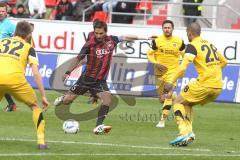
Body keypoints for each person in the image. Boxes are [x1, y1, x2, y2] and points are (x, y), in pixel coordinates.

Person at [54, 20, 147, 134]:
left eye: (101, 33)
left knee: (108, 99)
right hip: (86, 79)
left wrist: (146, 38)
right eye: (96, 33)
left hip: (100, 81)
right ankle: (63, 99)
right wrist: (68, 72)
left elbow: (127, 37)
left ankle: (98, 126)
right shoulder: (89, 44)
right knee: (67, 101)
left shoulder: (112, 40)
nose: (98, 36)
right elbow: (78, 58)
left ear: (106, 32)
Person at [164, 22, 227, 146]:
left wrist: (170, 81)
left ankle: (183, 132)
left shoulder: (192, 45)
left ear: (189, 33)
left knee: (177, 101)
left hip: (205, 83)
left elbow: (182, 68)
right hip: (218, 86)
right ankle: (189, 133)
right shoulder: (209, 44)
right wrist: (213, 73)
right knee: (187, 104)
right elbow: (224, 61)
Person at [0, 20, 49, 149]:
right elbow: (36, 73)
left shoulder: (2, 41)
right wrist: (43, 95)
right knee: (35, 107)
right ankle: (41, 142)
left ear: (15, 32)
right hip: (15, 81)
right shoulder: (29, 47)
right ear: (28, 35)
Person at [147, 20, 185, 128]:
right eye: (165, 27)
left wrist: (182, 70)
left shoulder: (179, 41)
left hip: (173, 72)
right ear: (162, 29)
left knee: (167, 95)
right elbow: (149, 54)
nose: (167, 29)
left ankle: (162, 121)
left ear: (172, 29)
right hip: (159, 72)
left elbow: (185, 57)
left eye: (169, 27)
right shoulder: (157, 41)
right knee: (162, 99)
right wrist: (156, 63)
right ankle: (173, 96)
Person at [0, 2, 18, 112]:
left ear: (6, 12)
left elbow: (17, 41)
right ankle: (11, 104)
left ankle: (12, 104)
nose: (0, 13)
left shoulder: (10, 25)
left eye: (2, 11)